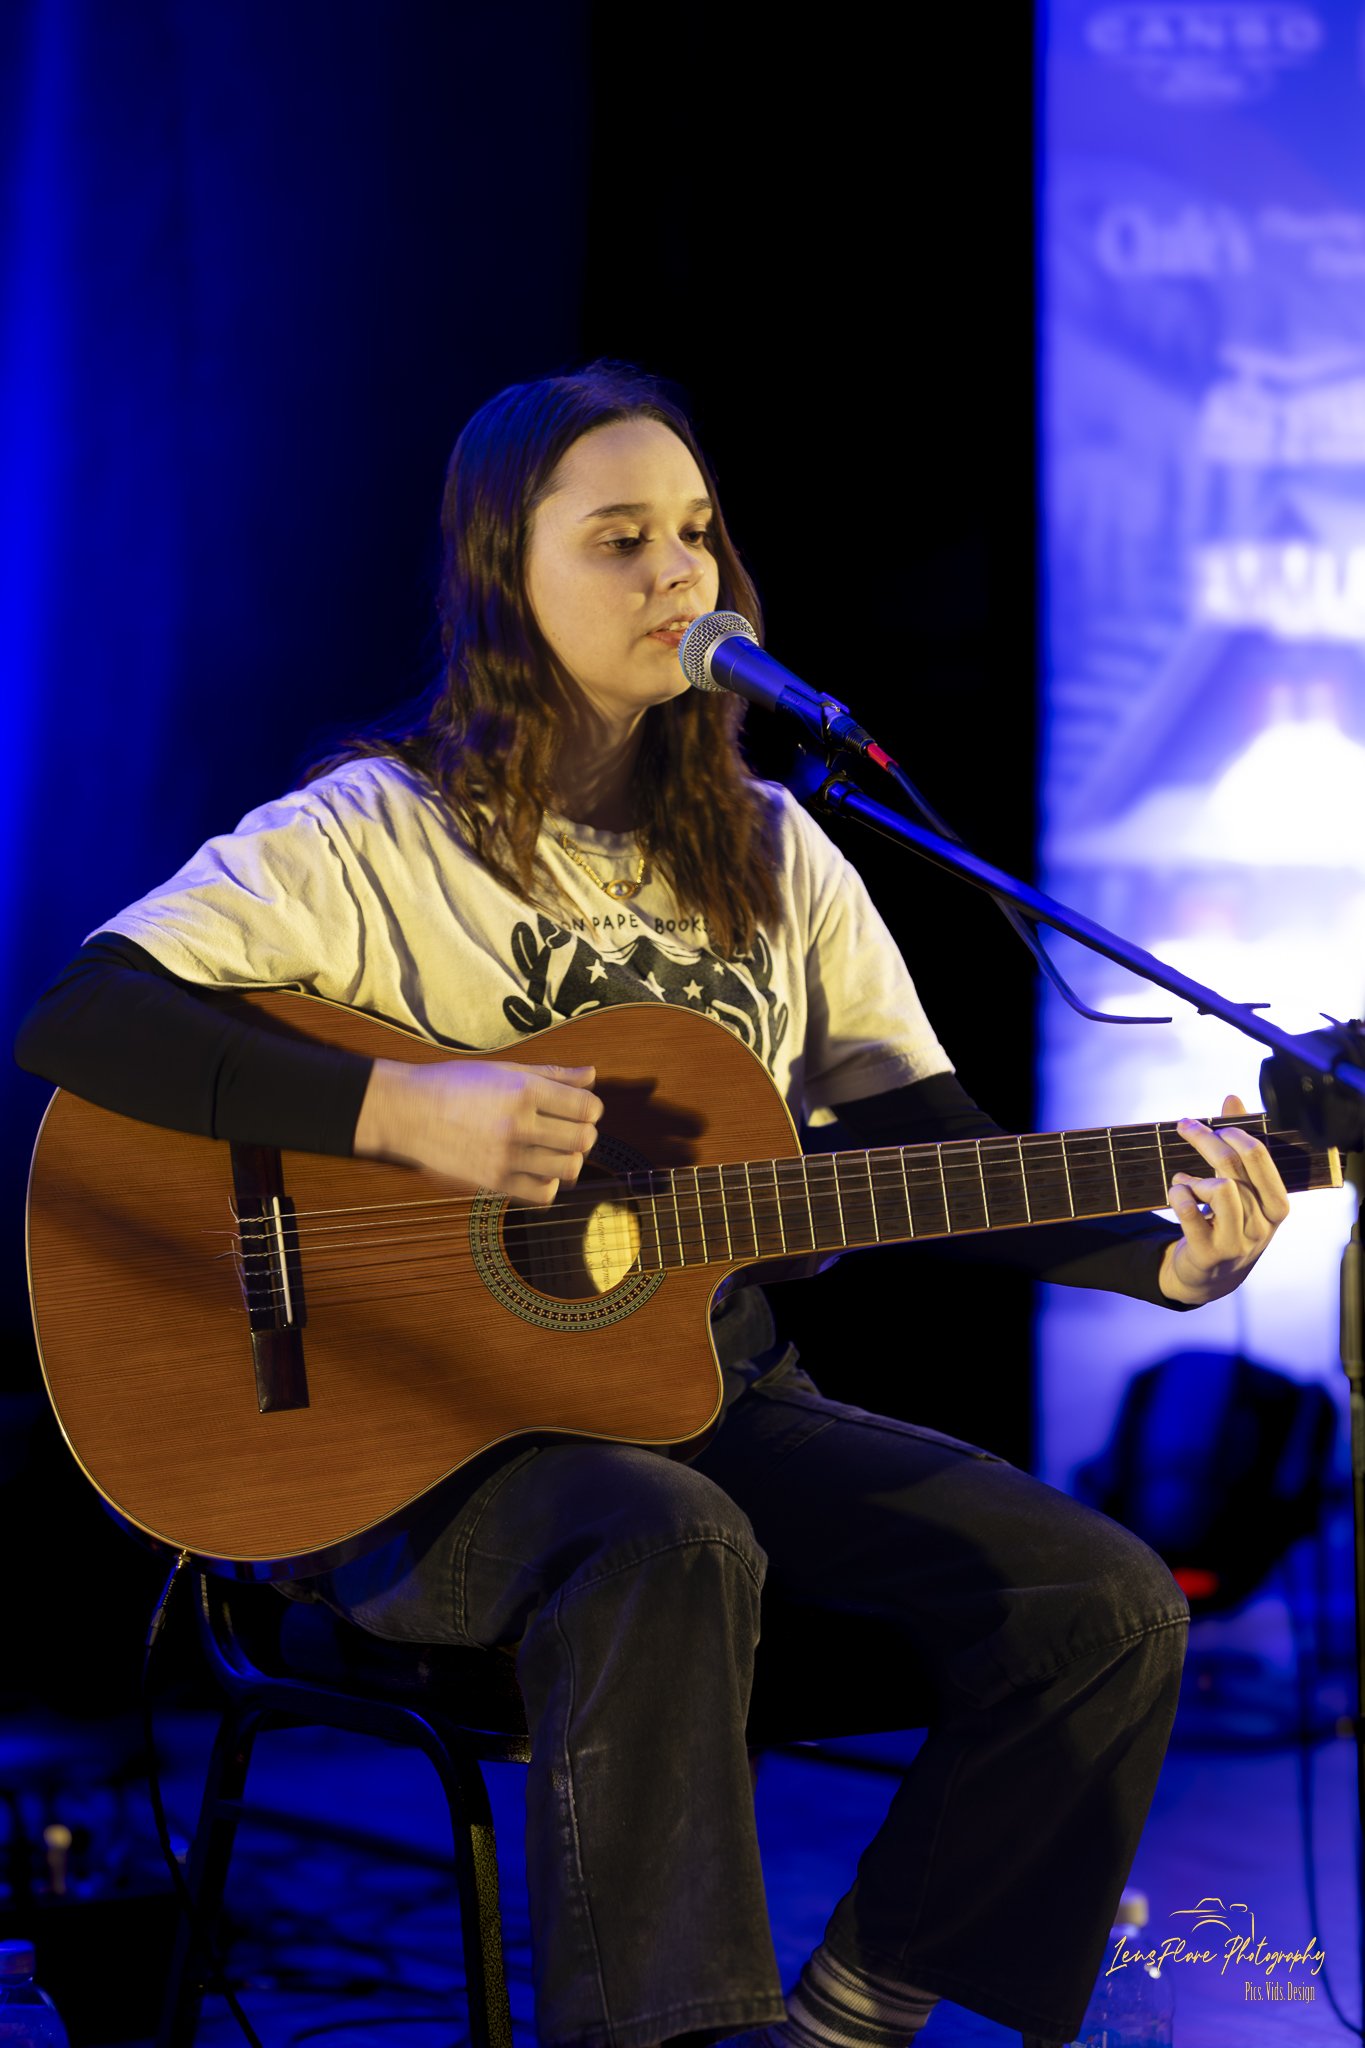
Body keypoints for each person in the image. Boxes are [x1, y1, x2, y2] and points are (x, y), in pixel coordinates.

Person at [17, 364, 1291, 2048]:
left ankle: (840, 2018)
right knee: (660, 1537)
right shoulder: (371, 838)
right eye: (617, 539)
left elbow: (931, 1143)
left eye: (694, 534)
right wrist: (412, 1110)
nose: (677, 575)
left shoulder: (773, 851)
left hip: (702, 1387)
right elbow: (84, 1017)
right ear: (503, 577)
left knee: (1102, 1601)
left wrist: (1159, 1258)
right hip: (407, 1433)